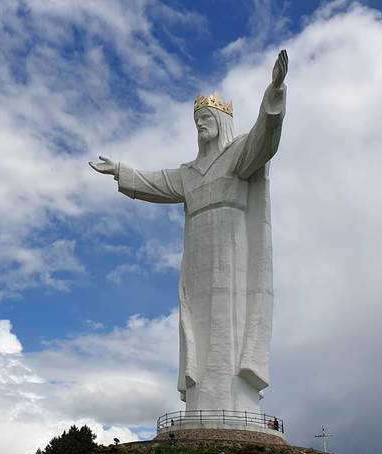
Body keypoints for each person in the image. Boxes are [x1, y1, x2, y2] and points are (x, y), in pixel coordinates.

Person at [90, 50, 289, 415]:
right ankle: (201, 405)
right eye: (196, 120)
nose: (200, 125)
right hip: (197, 255)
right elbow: (155, 183)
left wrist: (274, 91)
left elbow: (265, 137)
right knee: (196, 324)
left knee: (230, 320)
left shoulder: (239, 153)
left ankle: (235, 404)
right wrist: (120, 169)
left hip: (231, 253)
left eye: (206, 118)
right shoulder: (188, 172)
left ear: (220, 121)